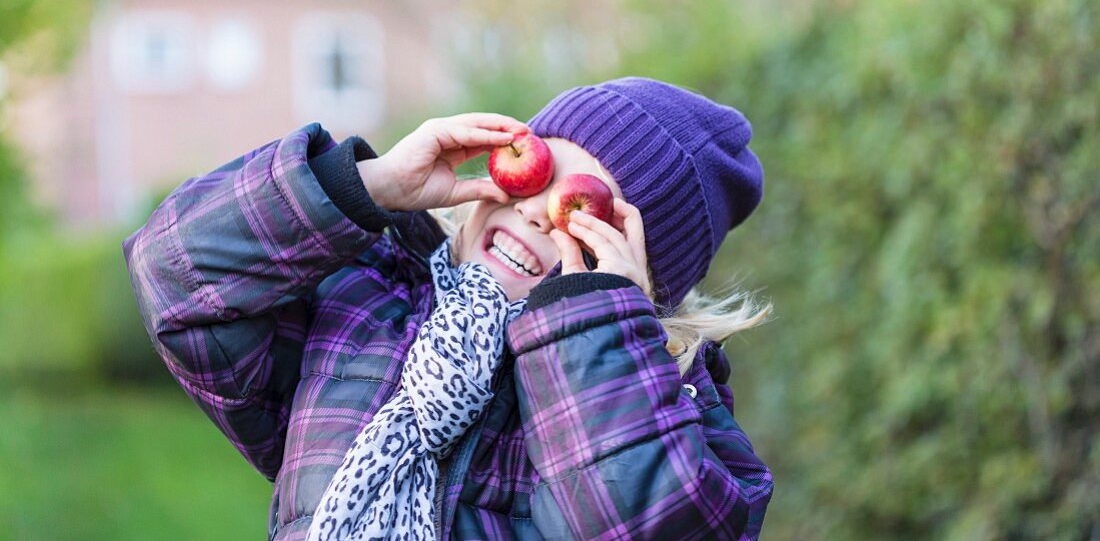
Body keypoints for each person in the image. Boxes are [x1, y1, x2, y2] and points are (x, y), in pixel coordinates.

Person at [123, 77, 774, 540]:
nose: (536, 212)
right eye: (537, 175)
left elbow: (645, 522)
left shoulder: (671, 407)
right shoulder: (368, 302)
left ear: (637, 277)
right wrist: (363, 186)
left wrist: (599, 325)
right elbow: (179, 277)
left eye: (583, 215)